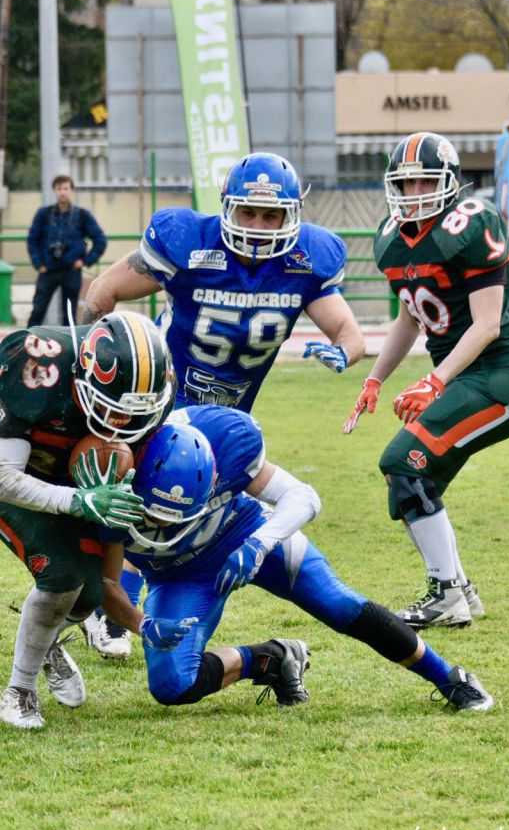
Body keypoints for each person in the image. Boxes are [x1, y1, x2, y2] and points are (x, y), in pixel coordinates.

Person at [78, 152, 365, 657]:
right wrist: (91, 355)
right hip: (163, 402)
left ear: (292, 214)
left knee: (184, 513)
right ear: (227, 207)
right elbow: (103, 292)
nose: (257, 226)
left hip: (229, 416)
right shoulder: (189, 242)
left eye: (271, 215)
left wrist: (343, 350)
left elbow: (349, 331)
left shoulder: (306, 259)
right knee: (141, 500)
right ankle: (109, 614)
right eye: (248, 212)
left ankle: (126, 607)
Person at [95, 409, 494, 713]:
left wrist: (259, 544)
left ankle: (449, 677)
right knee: (171, 685)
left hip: (243, 532)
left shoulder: (222, 441)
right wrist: (140, 624)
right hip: (178, 574)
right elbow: (107, 580)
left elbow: (304, 497)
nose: (171, 523)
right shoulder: (107, 477)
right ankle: (271, 659)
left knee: (338, 603)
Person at [346, 131, 509, 630]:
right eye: (405, 184)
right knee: (408, 483)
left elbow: (488, 325)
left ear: (449, 182)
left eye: (425, 182)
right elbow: (409, 319)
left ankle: (447, 592)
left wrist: (435, 379)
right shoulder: (391, 237)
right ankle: (458, 590)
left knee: (400, 463)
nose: (414, 193)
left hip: (500, 376)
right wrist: (375, 378)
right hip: (462, 381)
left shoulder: (472, 222)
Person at [0, 311, 174, 729]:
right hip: (5, 471)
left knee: (90, 593)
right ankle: (18, 692)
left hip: (77, 478)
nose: (120, 424)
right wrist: (78, 501)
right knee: (62, 576)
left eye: (132, 415)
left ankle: (46, 643)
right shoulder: (40, 363)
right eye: (112, 408)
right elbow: (1, 479)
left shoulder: (154, 388)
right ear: (84, 373)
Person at [25, 175, 107, 327]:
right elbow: (32, 239)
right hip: (47, 270)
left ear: (71, 190)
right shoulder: (44, 214)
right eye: (59, 189)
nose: (62, 192)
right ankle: (26, 340)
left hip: (71, 270)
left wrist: (85, 261)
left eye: (65, 188)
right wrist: (38, 263)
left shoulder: (82, 215)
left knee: (69, 315)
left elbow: (100, 240)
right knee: (37, 311)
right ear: (54, 191)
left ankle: (69, 343)